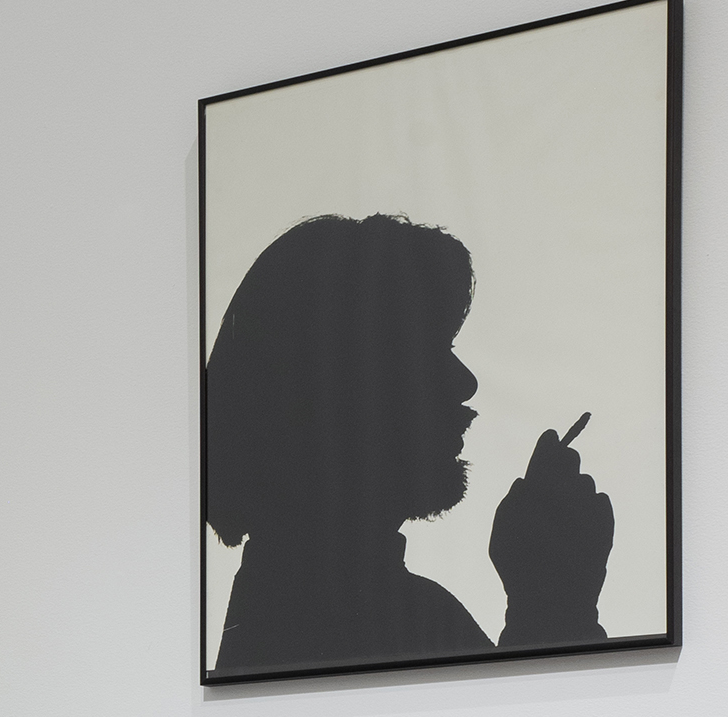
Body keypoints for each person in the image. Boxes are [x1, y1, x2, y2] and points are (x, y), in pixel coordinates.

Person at [205, 214, 612, 677]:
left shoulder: (289, 617)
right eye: (425, 350)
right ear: (335, 389)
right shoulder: (379, 629)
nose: (465, 382)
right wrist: (554, 604)